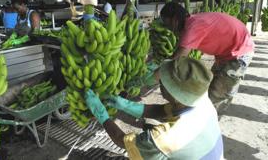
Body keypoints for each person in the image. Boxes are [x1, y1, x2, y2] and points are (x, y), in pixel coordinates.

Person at [84, 57, 223, 160]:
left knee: (144, 148)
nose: (158, 84)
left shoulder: (165, 138)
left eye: (162, 82)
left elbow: (122, 140)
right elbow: (161, 111)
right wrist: (125, 105)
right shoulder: (202, 103)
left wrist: (101, 114)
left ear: (174, 94)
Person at [159, 2, 254, 115]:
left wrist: (157, 74)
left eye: (167, 24)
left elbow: (178, 58)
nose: (168, 29)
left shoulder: (193, 27)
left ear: (174, 19)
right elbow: (177, 52)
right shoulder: (191, 23)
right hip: (226, 53)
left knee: (218, 96)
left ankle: (207, 124)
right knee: (207, 90)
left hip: (239, 52)